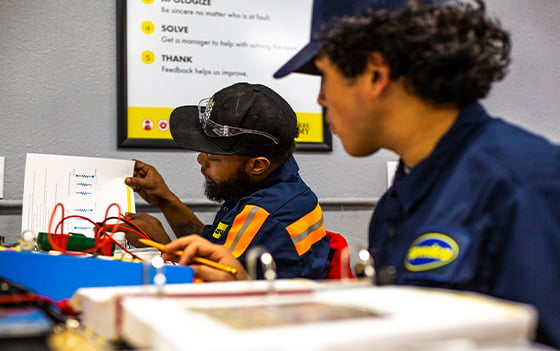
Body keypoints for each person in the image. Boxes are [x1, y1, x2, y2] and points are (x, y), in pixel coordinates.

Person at [163, 0, 560, 348]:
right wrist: (249, 295)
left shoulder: (525, 184)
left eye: (324, 75)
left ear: (374, 73)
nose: (320, 99)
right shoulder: (398, 203)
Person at [125, 82, 331, 280]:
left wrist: (157, 245)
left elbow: (212, 287)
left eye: (214, 157)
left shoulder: (264, 214)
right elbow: (212, 244)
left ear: (257, 165)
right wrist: (166, 199)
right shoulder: (268, 184)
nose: (201, 159)